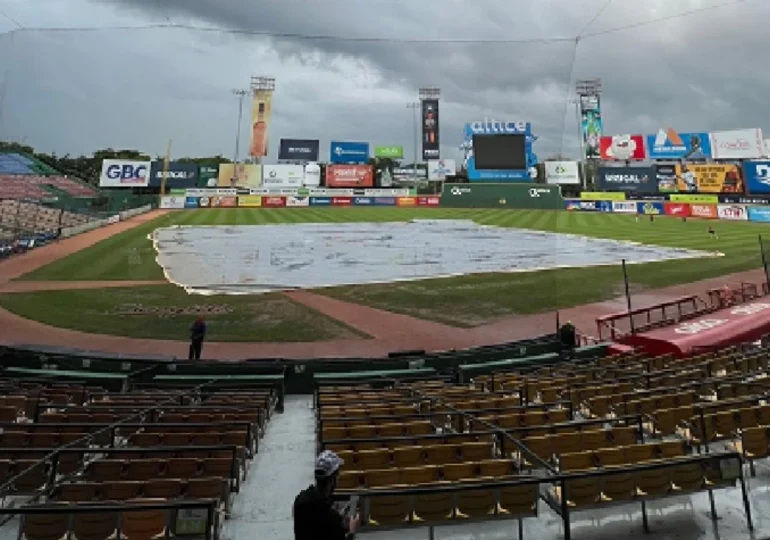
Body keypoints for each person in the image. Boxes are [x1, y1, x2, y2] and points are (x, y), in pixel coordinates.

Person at [294, 451, 360, 540]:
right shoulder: (332, 519)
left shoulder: (299, 501)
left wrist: (336, 515)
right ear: (333, 479)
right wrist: (352, 532)